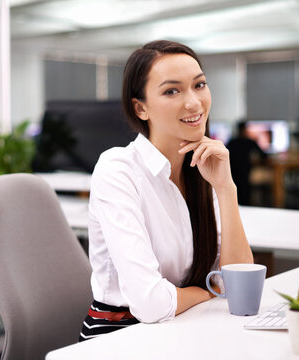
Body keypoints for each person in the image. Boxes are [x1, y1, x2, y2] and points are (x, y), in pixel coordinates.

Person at [79, 40, 254, 342]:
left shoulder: (201, 169)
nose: (194, 103)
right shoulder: (118, 170)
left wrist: (226, 188)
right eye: (172, 91)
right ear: (141, 108)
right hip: (119, 336)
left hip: (183, 326)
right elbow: (150, 303)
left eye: (199, 85)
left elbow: (239, 286)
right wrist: (207, 291)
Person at [226, 121, 267, 205]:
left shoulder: (232, 142)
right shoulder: (249, 141)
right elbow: (263, 155)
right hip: (245, 170)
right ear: (245, 129)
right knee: (245, 191)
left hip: (233, 171)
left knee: (235, 191)